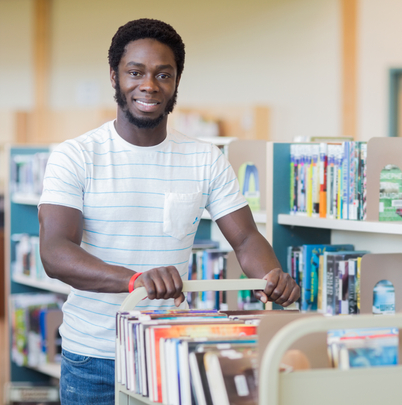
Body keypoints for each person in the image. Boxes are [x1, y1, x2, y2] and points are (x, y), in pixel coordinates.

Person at [38, 18, 299, 405]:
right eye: (135, 72)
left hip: (172, 350)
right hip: (95, 357)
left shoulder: (205, 159)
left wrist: (272, 278)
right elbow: (55, 252)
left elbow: (245, 239)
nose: (149, 85)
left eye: (164, 74)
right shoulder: (75, 155)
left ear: (176, 81)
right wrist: (136, 279)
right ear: (114, 77)